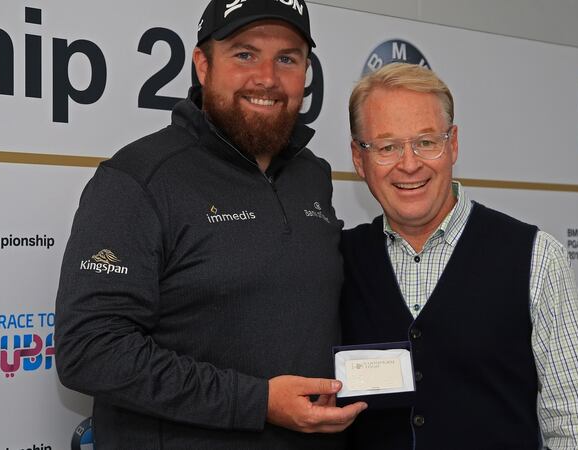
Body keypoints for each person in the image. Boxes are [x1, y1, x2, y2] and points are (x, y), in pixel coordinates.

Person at [54, 1, 365, 448]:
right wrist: (256, 401)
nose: (267, 78)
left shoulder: (312, 175)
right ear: (203, 64)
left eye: (287, 58)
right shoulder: (137, 179)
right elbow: (90, 351)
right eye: (244, 54)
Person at [340, 63, 578, 449]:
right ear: (359, 158)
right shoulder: (336, 262)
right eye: (387, 147)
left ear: (452, 144)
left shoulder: (536, 259)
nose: (409, 163)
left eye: (426, 141)